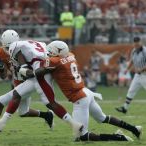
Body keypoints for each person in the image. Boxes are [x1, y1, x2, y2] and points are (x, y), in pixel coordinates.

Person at [8, 40, 142, 141]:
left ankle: (118, 138)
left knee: (82, 137)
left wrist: (22, 69)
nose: (48, 54)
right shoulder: (70, 55)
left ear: (56, 52)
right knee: (102, 118)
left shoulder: (54, 61)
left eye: (51, 52)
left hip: (80, 99)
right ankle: (134, 128)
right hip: (86, 92)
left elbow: (36, 73)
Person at [0, 40, 83, 138]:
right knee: (17, 94)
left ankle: (74, 125)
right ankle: (2, 123)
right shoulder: (32, 49)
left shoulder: (32, 52)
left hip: (40, 76)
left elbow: (33, 73)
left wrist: (22, 70)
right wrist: (23, 69)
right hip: (37, 76)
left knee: (50, 103)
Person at [0, 30, 54, 137]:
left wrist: (22, 70)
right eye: (6, 48)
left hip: (28, 82)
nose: (8, 50)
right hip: (17, 82)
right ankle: (47, 115)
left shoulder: (24, 50)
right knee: (23, 112)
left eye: (10, 47)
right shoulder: (1, 52)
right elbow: (3, 76)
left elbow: (30, 72)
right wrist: (1, 68)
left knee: (1, 101)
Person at [116, 37, 146, 114]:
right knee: (131, 91)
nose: (136, 45)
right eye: (135, 44)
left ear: (141, 43)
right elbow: (132, 61)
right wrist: (127, 69)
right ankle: (125, 108)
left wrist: (141, 69)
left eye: (137, 44)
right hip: (137, 75)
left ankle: (125, 108)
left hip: (145, 75)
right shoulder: (133, 51)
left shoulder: (145, 51)